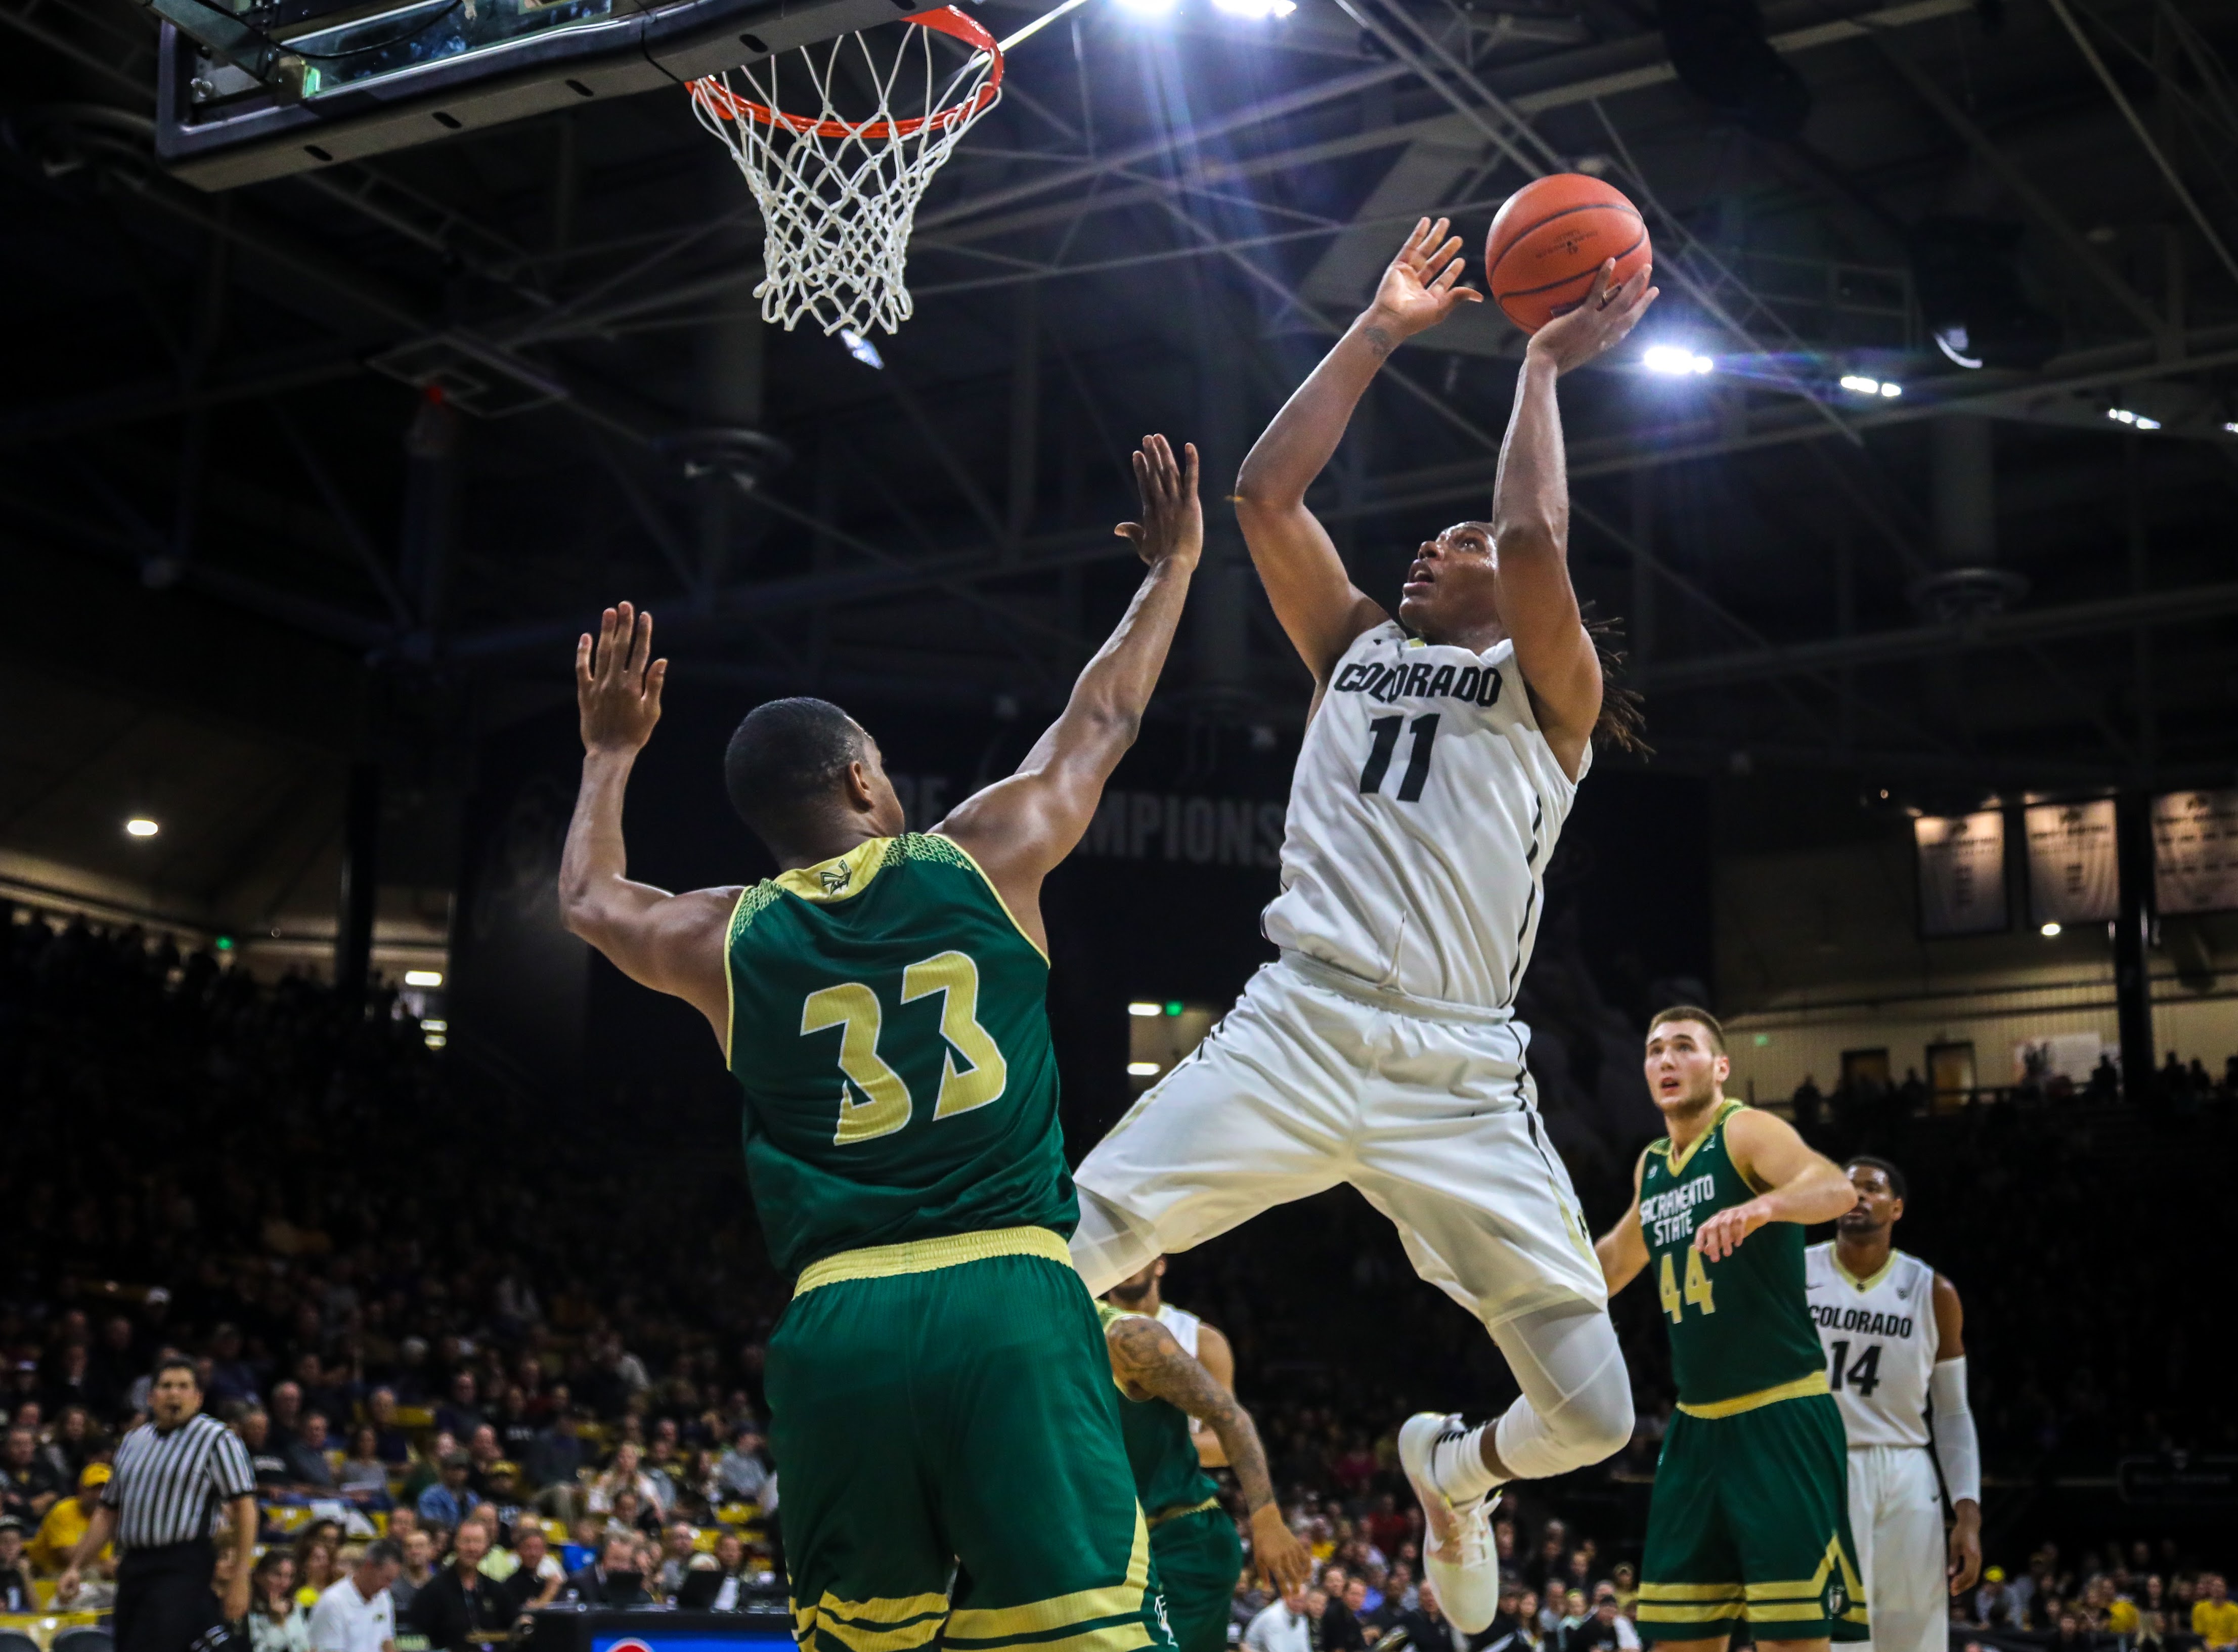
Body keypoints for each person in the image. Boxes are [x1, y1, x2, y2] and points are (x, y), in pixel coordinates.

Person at [1069, 214, 1657, 1634]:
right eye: (1434, 535)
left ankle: (1453, 1470)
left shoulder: (1546, 696)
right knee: (1046, 1245)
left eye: (1454, 546)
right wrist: (1383, 323)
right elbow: (1269, 496)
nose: (1432, 547)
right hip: (1299, 1023)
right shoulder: (1352, 652)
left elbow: (1529, 532)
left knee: (1593, 1416)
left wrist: (1539, 368)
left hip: (1457, 1075)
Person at [555, 434, 1205, 1652]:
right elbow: (1102, 716)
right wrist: (1168, 568)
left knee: (867, 1639)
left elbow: (591, 900)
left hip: (839, 1323)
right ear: (860, 779)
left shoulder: (722, 938)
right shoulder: (982, 854)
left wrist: (606, 755)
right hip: (1005, 1290)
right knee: (1082, 1633)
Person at [1594, 1009, 1865, 1652]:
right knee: (1679, 1640)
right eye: (1654, 1048)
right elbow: (1611, 1263)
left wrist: (1763, 1204)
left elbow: (1835, 1188)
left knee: (1789, 1641)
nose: (1664, 1059)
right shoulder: (1652, 1164)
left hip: (1779, 1417)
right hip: (1695, 1428)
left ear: (1718, 1067)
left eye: (1682, 1047)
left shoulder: (1743, 1129)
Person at [1805, 1157, 1981, 1652]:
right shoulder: (1794, 1274)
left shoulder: (1932, 1291)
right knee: (1832, 1633)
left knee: (1914, 1630)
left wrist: (1967, 1513)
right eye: (1846, 1186)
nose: (1856, 1194)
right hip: (1822, 1463)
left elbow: (1952, 1412)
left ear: (1896, 1206)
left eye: (1871, 1187)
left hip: (1906, 1469)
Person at [1099, 1263, 1310, 1652]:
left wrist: (1266, 1518)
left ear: (1160, 1262)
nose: (1128, 1264)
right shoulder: (1086, 1325)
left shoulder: (1198, 1340)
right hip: (1119, 1533)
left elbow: (1226, 1435)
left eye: (1139, 1251)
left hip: (1180, 1527)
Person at [59, 1356, 258, 1652]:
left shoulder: (218, 1440)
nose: (174, 1394)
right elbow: (108, 1511)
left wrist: (241, 1577)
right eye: (166, 1386)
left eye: (183, 1386)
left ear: (198, 1397)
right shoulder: (132, 1442)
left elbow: (245, 1508)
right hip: (134, 1563)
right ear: (151, 1397)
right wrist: (76, 1566)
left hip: (183, 1563)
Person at [406, 1517, 518, 1652]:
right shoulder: (433, 1590)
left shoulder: (496, 1590)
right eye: (466, 1541)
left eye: (477, 1542)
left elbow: (514, 1627)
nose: (471, 1548)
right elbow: (416, 1637)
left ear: (487, 1547)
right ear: (455, 1544)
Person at [308, 1539, 402, 1652]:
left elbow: (387, 1643)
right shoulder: (333, 1602)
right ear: (369, 1567)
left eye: (392, 1581)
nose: (388, 1586)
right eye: (386, 1579)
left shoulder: (384, 1597)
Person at [29, 1461, 112, 1575]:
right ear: (80, 1490)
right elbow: (72, 1558)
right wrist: (106, 1565)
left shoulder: (108, 1515)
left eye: (104, 1489)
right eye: (93, 1489)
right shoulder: (63, 1511)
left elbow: (105, 1558)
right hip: (46, 1574)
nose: (99, 1495)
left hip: (79, 1572)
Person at [249, 1550, 315, 1652]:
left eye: (290, 1576)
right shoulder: (247, 1611)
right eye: (277, 1575)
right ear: (259, 1576)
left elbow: (305, 1646)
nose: (284, 1583)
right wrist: (278, 1623)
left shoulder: (295, 1607)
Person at [1249, 1584, 1319, 1652]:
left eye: (1302, 1601)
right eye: (1296, 1600)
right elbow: (1276, 1650)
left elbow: (1304, 1647)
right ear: (1285, 1597)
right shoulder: (1273, 1616)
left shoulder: (1302, 1618)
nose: (1299, 1605)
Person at [2193, 1577, 2238, 1652]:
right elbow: (2199, 1636)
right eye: (2214, 1586)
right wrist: (2210, 1649)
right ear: (2210, 1589)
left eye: (2220, 1587)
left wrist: (2223, 1648)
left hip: (2228, 1647)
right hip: (2206, 1647)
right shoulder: (2199, 1608)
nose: (2217, 1589)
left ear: (2226, 1590)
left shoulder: (2235, 1609)